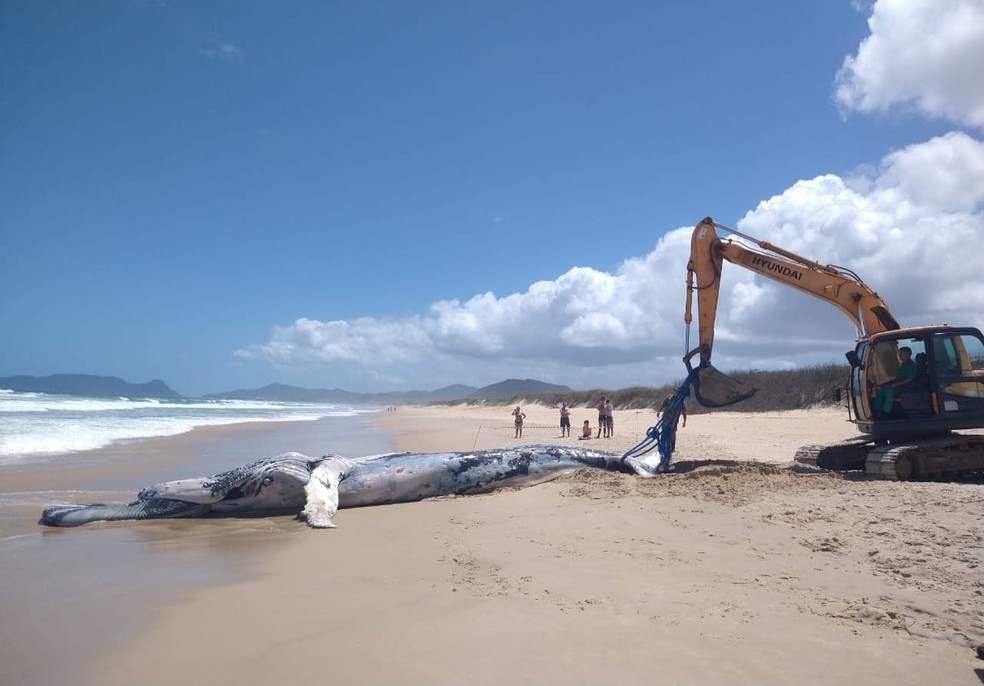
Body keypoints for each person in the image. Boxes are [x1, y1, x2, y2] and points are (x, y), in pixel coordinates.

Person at [875, 346, 918, 415]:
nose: (900, 356)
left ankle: (886, 413)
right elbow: (898, 378)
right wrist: (888, 383)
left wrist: (896, 384)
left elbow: (910, 379)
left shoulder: (912, 366)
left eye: (901, 354)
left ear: (908, 354)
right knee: (880, 391)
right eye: (899, 354)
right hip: (899, 385)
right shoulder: (903, 365)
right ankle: (877, 411)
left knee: (889, 391)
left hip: (906, 387)